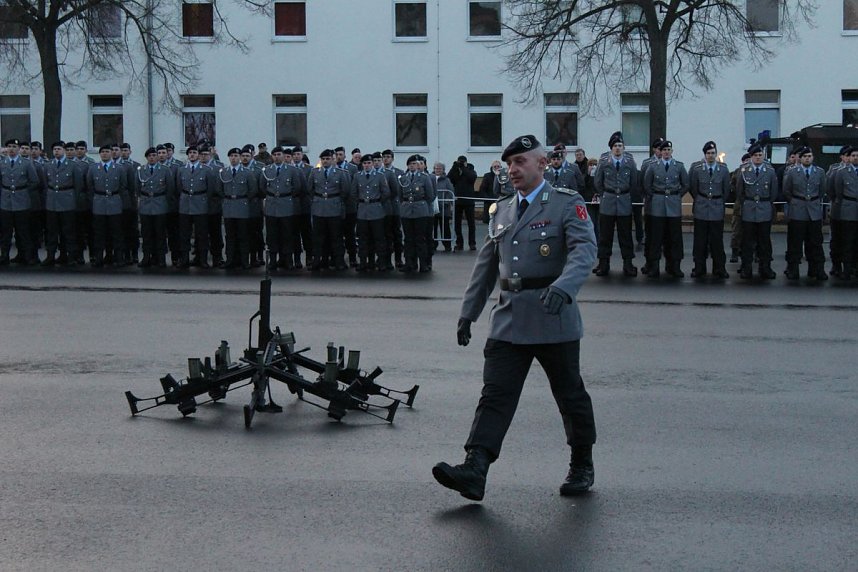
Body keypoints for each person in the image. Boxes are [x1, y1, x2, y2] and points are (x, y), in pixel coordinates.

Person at [432, 135, 598, 501]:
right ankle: (475, 468)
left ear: (542, 164)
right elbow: (486, 267)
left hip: (553, 315)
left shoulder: (566, 203)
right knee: (495, 395)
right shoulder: (503, 209)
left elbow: (584, 251)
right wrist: (468, 313)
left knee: (569, 395)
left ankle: (581, 464)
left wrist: (565, 287)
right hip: (509, 317)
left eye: (520, 162)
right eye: (509, 163)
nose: (512, 170)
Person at [592, 132, 638, 277]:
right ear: (611, 148)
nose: (617, 148)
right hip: (608, 201)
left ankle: (628, 264)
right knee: (605, 235)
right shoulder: (604, 162)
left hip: (624, 200)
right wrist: (606, 194)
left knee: (626, 235)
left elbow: (633, 182)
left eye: (620, 145)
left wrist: (625, 193)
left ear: (623, 147)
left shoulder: (629, 162)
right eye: (615, 146)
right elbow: (598, 182)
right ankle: (603, 263)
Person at [643, 140, 689, 278]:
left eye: (669, 150)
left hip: (673, 205)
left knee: (675, 237)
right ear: (660, 152)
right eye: (664, 150)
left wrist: (677, 196)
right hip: (658, 205)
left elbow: (686, 184)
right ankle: (654, 266)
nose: (666, 152)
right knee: (656, 237)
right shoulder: (653, 166)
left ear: (672, 151)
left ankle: (674, 266)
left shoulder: (679, 166)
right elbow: (647, 184)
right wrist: (655, 196)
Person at [783, 146, 827, 281]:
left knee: (815, 242)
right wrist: (795, 202)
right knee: (795, 242)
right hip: (797, 210)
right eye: (805, 156)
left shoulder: (819, 172)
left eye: (809, 156)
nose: (807, 159)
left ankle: (816, 269)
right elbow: (787, 190)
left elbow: (822, 190)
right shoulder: (792, 172)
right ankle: (793, 269)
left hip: (813, 211)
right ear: (800, 158)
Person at [688, 141, 731, 279]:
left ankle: (719, 268)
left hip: (717, 207)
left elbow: (726, 190)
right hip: (701, 207)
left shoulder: (723, 169)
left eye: (713, 153)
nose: (711, 155)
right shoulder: (697, 169)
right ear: (704, 154)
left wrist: (718, 201)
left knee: (717, 240)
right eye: (708, 153)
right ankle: (699, 268)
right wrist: (701, 199)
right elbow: (693, 188)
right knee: (700, 241)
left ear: (716, 154)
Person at [736, 144, 778, 280]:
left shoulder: (770, 171)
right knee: (747, 241)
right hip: (749, 209)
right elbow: (740, 191)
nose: (758, 157)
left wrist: (766, 203)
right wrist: (747, 203)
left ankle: (765, 268)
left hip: (764, 209)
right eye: (755, 155)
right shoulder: (744, 170)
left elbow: (773, 192)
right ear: (751, 157)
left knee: (764, 242)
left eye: (760, 155)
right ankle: (746, 268)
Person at [261, 146, 305, 271]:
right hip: (272, 206)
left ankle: (288, 260)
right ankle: (273, 260)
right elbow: (262, 186)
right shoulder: (266, 170)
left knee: (287, 234)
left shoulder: (292, 170)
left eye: (279, 154)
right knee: (272, 235)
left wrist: (286, 195)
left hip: (286, 205)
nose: (277, 157)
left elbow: (297, 187)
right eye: (274, 155)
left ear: (283, 156)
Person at [307, 149, 350, 271]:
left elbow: (345, 190)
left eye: (328, 159)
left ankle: (339, 261)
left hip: (334, 207)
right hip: (319, 208)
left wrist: (336, 201)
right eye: (323, 159)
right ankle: (318, 260)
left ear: (332, 159)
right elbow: (310, 189)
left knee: (336, 236)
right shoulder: (315, 172)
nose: (325, 161)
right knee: (318, 237)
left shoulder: (341, 173)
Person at [43, 141, 83, 266]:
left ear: (64, 150)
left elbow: (78, 185)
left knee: (68, 231)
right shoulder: (48, 165)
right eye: (55, 149)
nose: (56, 151)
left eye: (59, 149)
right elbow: (45, 183)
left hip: (67, 201)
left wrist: (72, 198)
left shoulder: (73, 165)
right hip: (52, 202)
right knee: (52, 231)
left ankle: (70, 256)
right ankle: (50, 256)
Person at [87, 144, 128, 267]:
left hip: (114, 202)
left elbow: (123, 186)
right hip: (99, 203)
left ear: (111, 153)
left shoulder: (119, 168)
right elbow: (90, 186)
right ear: (99, 154)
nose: (105, 154)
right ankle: (99, 258)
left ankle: (119, 258)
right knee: (99, 233)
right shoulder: (93, 168)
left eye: (107, 151)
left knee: (116, 232)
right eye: (102, 152)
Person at [0, 138, 40, 265]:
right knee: (5, 232)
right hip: (6, 201)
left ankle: (27, 256)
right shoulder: (2, 163)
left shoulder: (26, 163)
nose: (11, 149)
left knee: (23, 231)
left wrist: (23, 191)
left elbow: (34, 181)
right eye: (9, 147)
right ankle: (4, 255)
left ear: (18, 149)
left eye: (14, 147)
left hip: (22, 200)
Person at [176, 145, 215, 268]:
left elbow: (210, 189)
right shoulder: (181, 170)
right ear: (187, 155)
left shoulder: (207, 170)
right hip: (185, 205)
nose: (192, 154)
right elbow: (179, 187)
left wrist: (203, 200)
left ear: (198, 155)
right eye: (190, 153)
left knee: (202, 234)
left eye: (194, 152)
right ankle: (184, 259)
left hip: (200, 204)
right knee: (184, 234)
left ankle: (202, 259)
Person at [351, 154, 391, 271]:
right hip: (363, 211)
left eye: (369, 163)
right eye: (364, 163)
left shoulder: (380, 176)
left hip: (376, 210)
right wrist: (361, 202)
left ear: (372, 164)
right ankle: (363, 262)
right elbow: (353, 193)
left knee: (379, 238)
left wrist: (377, 201)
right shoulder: (357, 176)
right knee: (363, 238)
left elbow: (386, 193)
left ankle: (380, 262)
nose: (367, 165)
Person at [136, 147, 175, 268]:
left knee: (160, 233)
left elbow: (170, 188)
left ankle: (161, 258)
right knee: (146, 233)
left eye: (154, 155)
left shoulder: (165, 170)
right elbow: (137, 188)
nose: (152, 158)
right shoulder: (141, 170)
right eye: (149, 156)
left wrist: (163, 201)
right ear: (146, 158)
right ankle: (146, 257)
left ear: (157, 157)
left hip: (160, 203)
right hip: (146, 204)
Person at [398, 154, 434, 273]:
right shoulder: (403, 178)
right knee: (408, 239)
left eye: (414, 164)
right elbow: (400, 195)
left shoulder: (424, 177)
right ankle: (410, 263)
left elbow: (430, 196)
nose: (412, 166)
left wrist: (421, 204)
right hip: (407, 211)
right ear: (407, 166)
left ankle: (423, 263)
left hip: (420, 210)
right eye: (410, 164)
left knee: (420, 238)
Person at [832, 147, 858, 279]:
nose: (856, 158)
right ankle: (846, 269)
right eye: (853, 155)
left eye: (857, 156)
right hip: (848, 209)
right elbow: (837, 192)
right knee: (847, 240)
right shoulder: (841, 172)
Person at [448, 155, 478, 251]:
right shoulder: (456, 170)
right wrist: (454, 167)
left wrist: (464, 168)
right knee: (457, 223)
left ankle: (472, 243)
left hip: (469, 200)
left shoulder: (470, 169)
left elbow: (472, 178)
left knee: (471, 224)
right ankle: (459, 243)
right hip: (458, 200)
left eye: (462, 162)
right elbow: (450, 178)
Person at [433, 161, 455, 252]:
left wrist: (445, 202)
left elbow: (450, 192)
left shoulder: (447, 180)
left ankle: (447, 245)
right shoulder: (430, 178)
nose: (438, 170)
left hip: (444, 208)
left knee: (445, 227)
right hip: (433, 208)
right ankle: (433, 244)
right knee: (433, 227)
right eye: (436, 168)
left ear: (443, 170)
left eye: (440, 169)